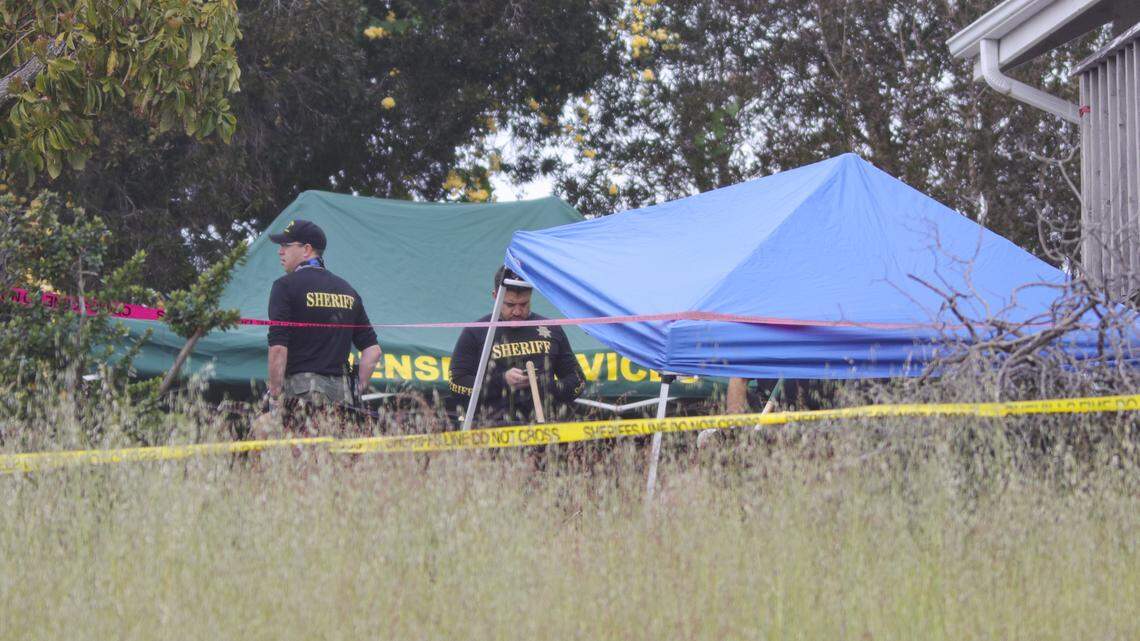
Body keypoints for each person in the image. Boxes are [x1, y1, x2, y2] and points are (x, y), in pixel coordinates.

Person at [265, 218, 382, 434]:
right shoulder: (347, 290)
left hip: (300, 390)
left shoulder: (284, 287)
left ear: (306, 249)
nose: (280, 252)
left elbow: (278, 347)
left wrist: (274, 394)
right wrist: (355, 389)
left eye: (286, 245)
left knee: (297, 457)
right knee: (334, 461)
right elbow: (373, 351)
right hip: (342, 395)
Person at [448, 267, 585, 426]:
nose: (518, 311)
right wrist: (502, 381)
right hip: (493, 430)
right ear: (495, 297)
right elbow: (456, 385)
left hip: (545, 427)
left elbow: (578, 380)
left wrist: (543, 385)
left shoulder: (550, 329)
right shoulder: (476, 332)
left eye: (524, 304)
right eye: (510, 304)